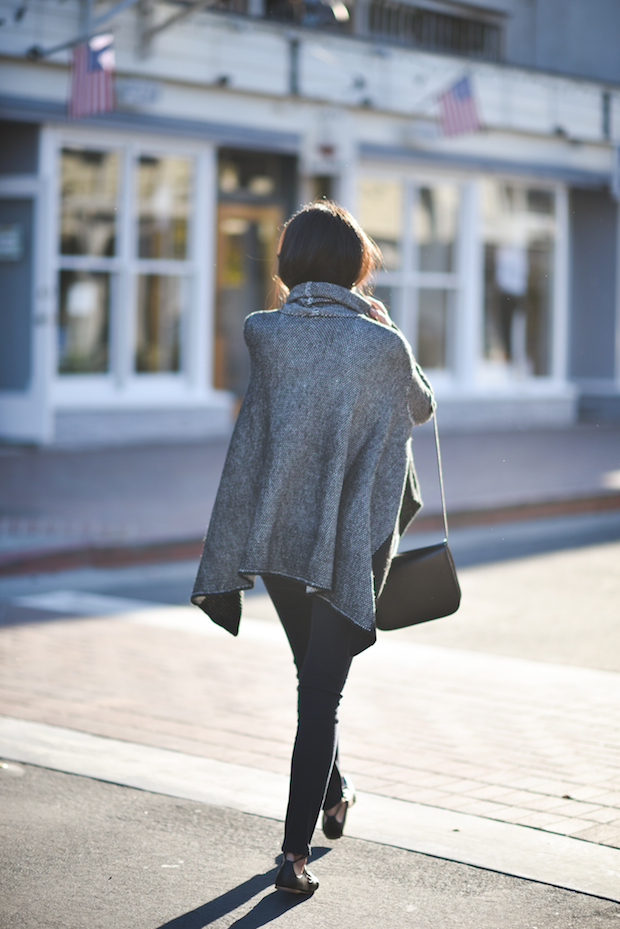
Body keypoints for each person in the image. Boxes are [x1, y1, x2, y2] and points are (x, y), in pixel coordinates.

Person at [192, 201, 435, 896]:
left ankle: (335, 793)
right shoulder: (380, 344)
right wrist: (392, 334)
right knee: (320, 694)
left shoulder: (263, 332)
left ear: (290, 262)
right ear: (356, 266)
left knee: (315, 683)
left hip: (277, 535)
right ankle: (293, 857)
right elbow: (421, 408)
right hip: (348, 540)